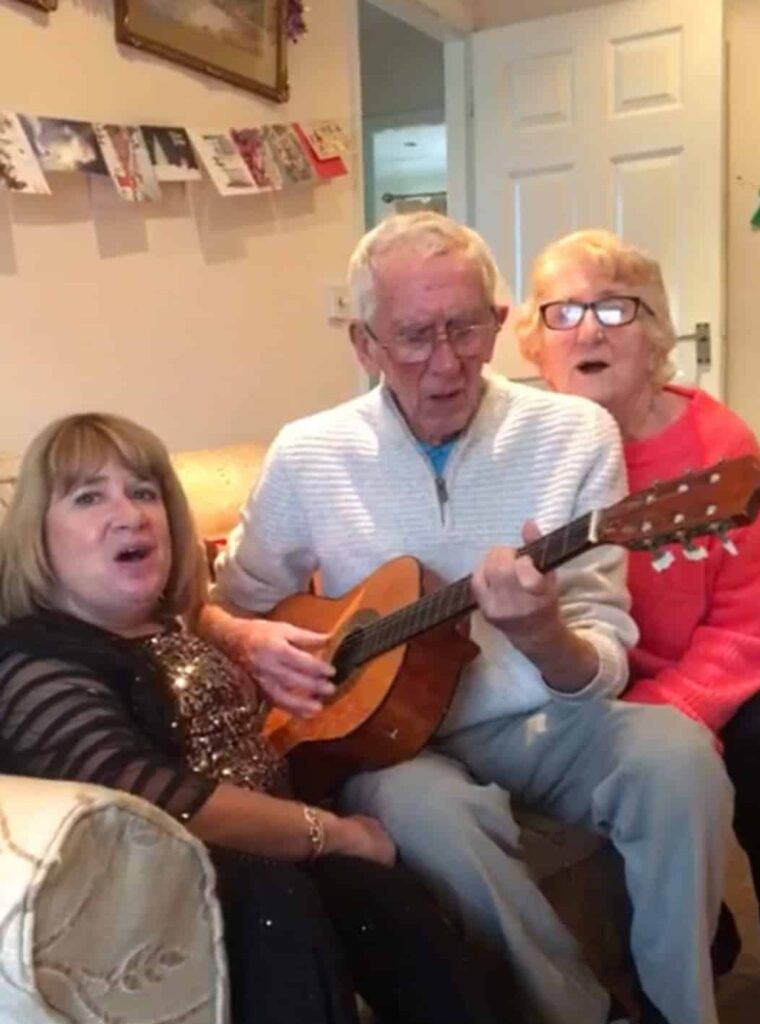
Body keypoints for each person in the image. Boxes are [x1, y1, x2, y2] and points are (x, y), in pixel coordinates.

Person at [201, 211, 732, 1024]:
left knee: (678, 754)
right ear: (364, 344)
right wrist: (249, 638)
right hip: (388, 744)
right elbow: (223, 602)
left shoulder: (575, 432)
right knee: (427, 815)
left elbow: (606, 650)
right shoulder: (310, 453)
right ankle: (581, 1012)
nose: (446, 364)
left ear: (499, 322)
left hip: (545, 721)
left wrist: (542, 635)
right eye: (415, 336)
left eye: (466, 328)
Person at [0, 411, 509, 1024]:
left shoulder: (173, 627)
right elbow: (145, 795)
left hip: (293, 862)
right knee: (291, 895)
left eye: (144, 491)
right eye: (88, 497)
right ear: (38, 535)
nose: (130, 514)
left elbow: (216, 635)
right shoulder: (34, 653)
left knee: (394, 904)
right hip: (198, 895)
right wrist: (332, 832)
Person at [514, 226, 760, 930]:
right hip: (570, 683)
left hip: (701, 677)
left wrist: (674, 706)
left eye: (614, 308)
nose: (587, 329)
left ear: (655, 335)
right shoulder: (519, 442)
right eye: (561, 312)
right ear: (535, 342)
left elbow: (749, 620)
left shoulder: (719, 446)